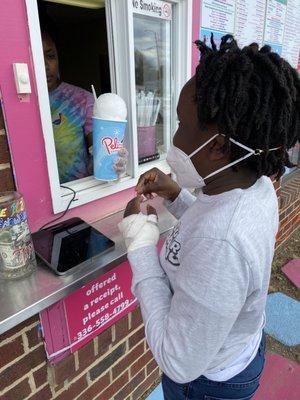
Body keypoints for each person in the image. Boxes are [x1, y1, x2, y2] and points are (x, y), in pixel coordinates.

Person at [119, 35, 300, 400]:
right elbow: (210, 221)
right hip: (235, 349)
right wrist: (176, 196)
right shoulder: (253, 187)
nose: (173, 136)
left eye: (181, 126)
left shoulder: (222, 244)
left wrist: (140, 243)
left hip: (206, 383)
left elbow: (177, 359)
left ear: (217, 147)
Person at [42, 31, 127, 183]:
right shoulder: (20, 107)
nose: (45, 65)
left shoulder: (82, 100)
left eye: (50, 56)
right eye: (36, 56)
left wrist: (111, 164)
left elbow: (100, 151)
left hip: (77, 192)